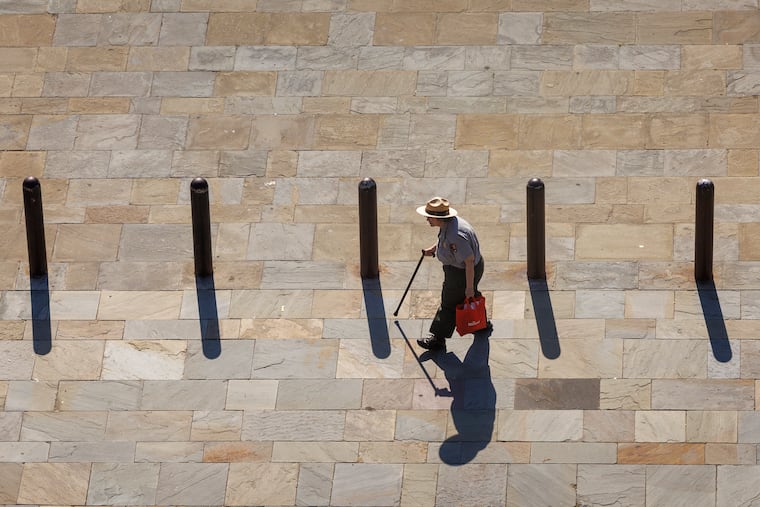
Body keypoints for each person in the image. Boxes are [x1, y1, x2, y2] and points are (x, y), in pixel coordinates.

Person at [415, 197, 488, 350]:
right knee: (470, 296)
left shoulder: (456, 235)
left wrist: (468, 287)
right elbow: (444, 241)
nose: (427, 219)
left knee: (448, 304)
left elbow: (468, 261)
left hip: (460, 273)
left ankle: (438, 339)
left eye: (429, 216)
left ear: (438, 218)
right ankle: (481, 323)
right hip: (465, 270)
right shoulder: (451, 223)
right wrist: (433, 250)